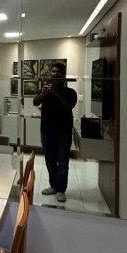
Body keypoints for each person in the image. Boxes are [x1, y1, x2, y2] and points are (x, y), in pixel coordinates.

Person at [33, 62, 77, 203]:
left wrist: (56, 92)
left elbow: (69, 104)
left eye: (58, 72)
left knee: (63, 163)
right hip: (46, 131)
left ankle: (61, 190)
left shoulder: (70, 92)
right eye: (53, 71)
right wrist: (43, 93)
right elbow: (35, 102)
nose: (55, 74)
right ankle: (53, 186)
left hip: (63, 132)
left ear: (64, 74)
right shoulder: (45, 90)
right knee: (50, 161)